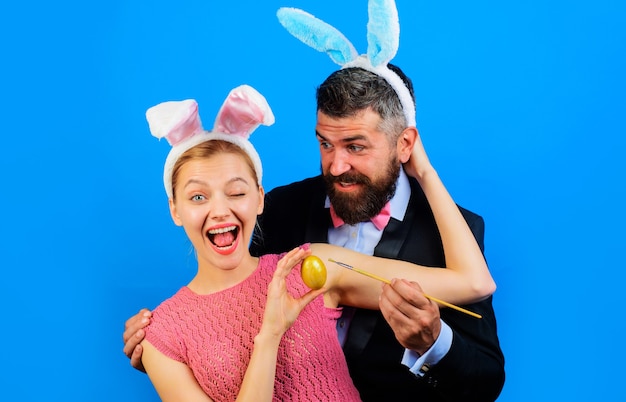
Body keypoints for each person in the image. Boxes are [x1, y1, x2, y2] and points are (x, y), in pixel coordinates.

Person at [135, 84, 496, 401]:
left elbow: (475, 284)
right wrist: (270, 333)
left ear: (259, 199)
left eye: (236, 192)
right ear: (175, 209)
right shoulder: (160, 335)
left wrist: (425, 172)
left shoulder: (309, 267)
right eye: (198, 197)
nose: (219, 211)